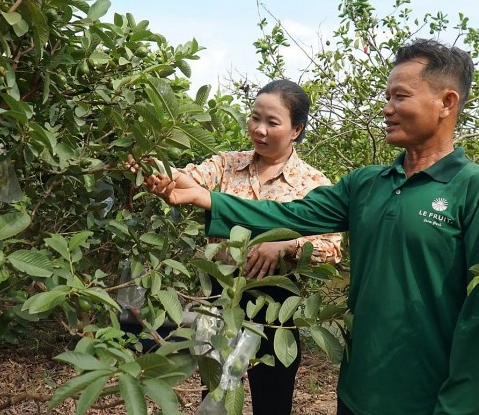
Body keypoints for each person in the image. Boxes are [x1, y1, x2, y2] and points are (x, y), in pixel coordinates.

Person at [143, 39, 479, 415]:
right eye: (387, 97)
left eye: (400, 97)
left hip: (428, 398)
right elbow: (290, 215)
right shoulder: (366, 184)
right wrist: (205, 197)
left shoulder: (478, 191)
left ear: (446, 103)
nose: (387, 108)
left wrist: (461, 406)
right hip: (357, 390)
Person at [144, 79, 342, 414]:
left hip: (276, 304)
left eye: (272, 122)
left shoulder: (313, 183)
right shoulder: (227, 164)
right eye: (255, 118)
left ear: (296, 130)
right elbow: (190, 179)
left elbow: (332, 248)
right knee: (215, 395)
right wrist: (160, 173)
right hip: (221, 294)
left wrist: (287, 246)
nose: (259, 129)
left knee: (272, 397)